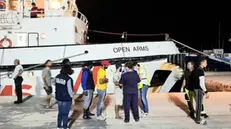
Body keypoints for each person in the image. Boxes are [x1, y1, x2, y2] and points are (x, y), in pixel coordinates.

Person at [55, 63, 75, 129]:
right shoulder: (68, 79)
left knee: (60, 112)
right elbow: (70, 90)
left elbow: (55, 84)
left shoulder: (57, 76)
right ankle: (65, 127)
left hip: (59, 97)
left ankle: (58, 126)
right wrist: (73, 98)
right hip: (66, 98)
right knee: (65, 113)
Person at [191, 58, 209, 125]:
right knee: (199, 104)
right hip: (198, 89)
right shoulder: (200, 70)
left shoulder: (197, 69)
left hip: (196, 89)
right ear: (202, 63)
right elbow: (201, 83)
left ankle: (198, 118)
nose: (206, 64)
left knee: (199, 104)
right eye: (205, 62)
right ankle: (198, 119)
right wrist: (206, 91)